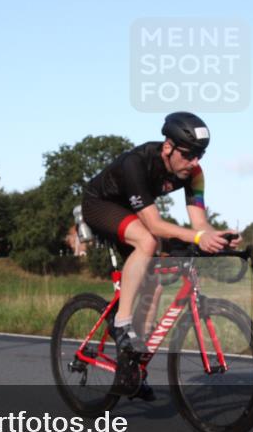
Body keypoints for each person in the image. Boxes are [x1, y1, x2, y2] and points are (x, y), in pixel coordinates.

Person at [81, 112, 242, 400]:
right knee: (147, 240)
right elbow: (154, 225)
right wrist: (195, 238)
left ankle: (131, 366)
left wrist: (215, 237)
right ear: (168, 146)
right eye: (189, 155)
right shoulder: (137, 163)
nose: (195, 162)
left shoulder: (194, 174)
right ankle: (121, 325)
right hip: (99, 204)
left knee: (154, 279)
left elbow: (199, 224)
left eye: (200, 155)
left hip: (133, 212)